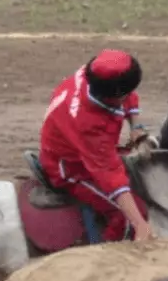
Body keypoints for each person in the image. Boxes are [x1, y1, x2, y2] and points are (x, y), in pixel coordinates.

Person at [38, 49, 158, 243]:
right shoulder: (88, 123)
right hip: (70, 168)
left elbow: (128, 95)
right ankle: (103, 257)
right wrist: (140, 225)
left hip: (84, 147)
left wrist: (137, 128)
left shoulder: (95, 75)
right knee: (126, 215)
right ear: (112, 95)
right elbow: (109, 175)